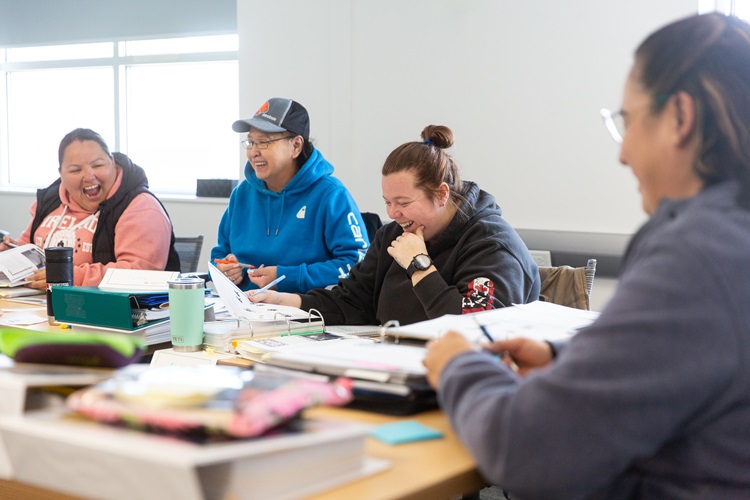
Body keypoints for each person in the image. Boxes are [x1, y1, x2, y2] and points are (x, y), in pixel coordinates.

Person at [424, 13, 750, 499]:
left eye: (630, 120)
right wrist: (564, 356)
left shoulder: (701, 257)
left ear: (680, 117)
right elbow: (690, 356)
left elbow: (528, 452)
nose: (622, 154)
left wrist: (456, 366)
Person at [250, 125, 540, 326]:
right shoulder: (393, 236)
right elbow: (352, 301)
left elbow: (476, 325)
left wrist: (418, 264)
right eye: (387, 202)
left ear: (441, 194)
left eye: (403, 202)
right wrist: (290, 302)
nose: (394, 213)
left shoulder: (491, 244)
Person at [211, 97, 369, 294]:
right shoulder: (241, 194)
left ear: (296, 146)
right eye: (251, 142)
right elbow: (220, 253)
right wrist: (224, 269)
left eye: (264, 142)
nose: (254, 152)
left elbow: (357, 264)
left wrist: (290, 277)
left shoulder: (330, 194)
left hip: (305, 312)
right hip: (244, 310)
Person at [0, 128, 180, 288]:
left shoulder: (141, 208)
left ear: (113, 163)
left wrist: (71, 276)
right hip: (34, 308)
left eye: (98, 165)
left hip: (108, 314)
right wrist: (11, 252)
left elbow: (139, 274)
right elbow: (27, 246)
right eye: (75, 170)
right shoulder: (50, 200)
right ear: (61, 173)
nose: (89, 176)